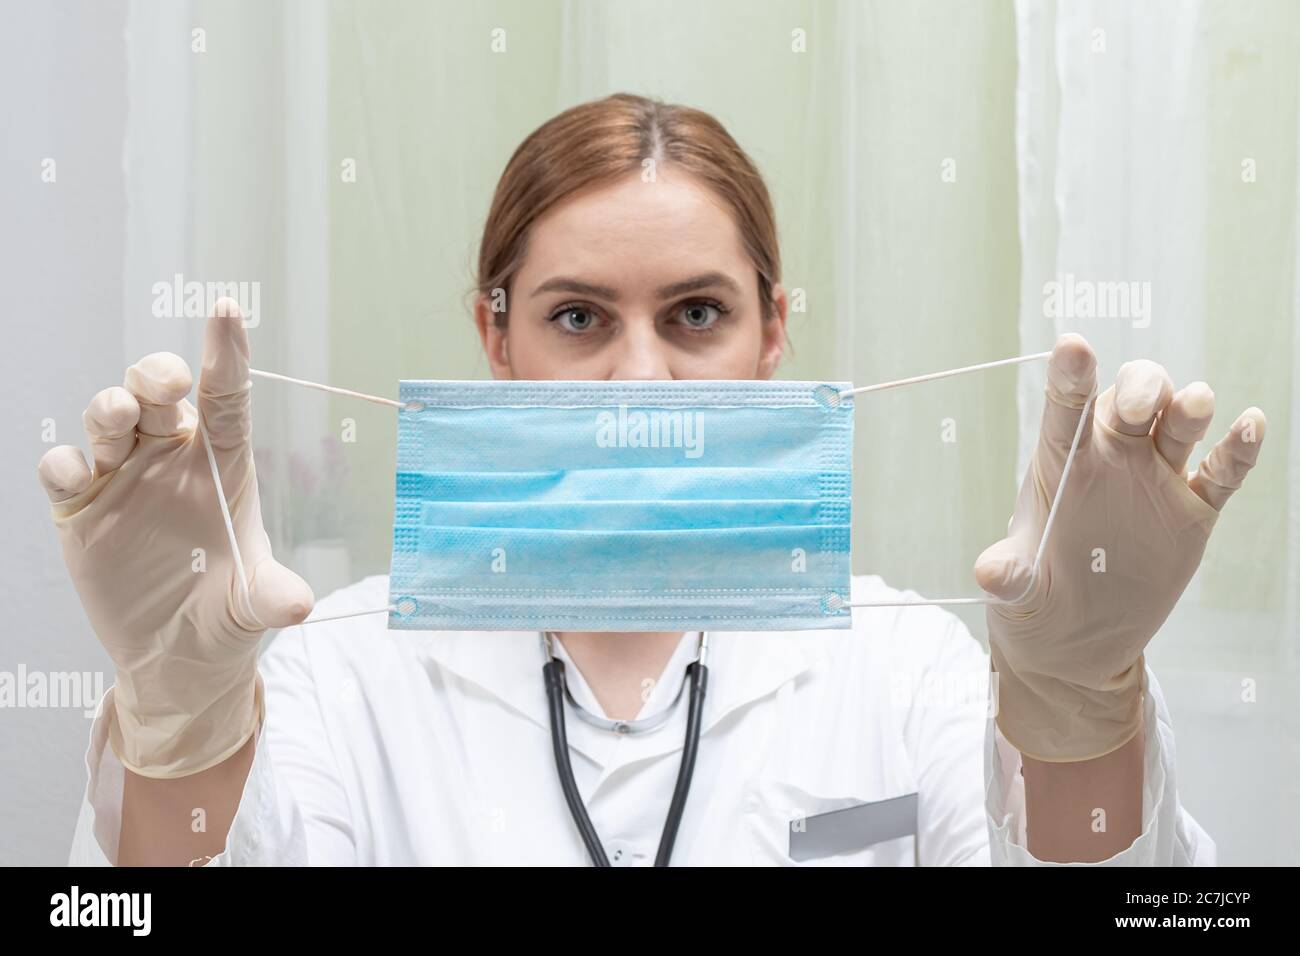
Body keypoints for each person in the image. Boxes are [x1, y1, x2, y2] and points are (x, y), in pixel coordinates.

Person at [42, 94, 1265, 867]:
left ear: (773, 332)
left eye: (696, 313)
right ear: (494, 336)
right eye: (578, 316)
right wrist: (179, 724)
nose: (640, 377)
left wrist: (1073, 704)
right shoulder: (340, 673)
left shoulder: (898, 667)